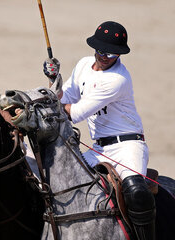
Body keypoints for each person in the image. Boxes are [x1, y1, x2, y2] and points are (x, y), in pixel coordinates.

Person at [43, 21, 155, 240]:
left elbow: (75, 113)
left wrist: (51, 104)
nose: (103, 57)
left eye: (111, 54)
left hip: (128, 147)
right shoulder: (84, 64)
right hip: (98, 149)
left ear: (119, 55)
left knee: (136, 192)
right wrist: (54, 80)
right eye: (100, 51)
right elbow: (64, 98)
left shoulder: (117, 80)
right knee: (59, 181)